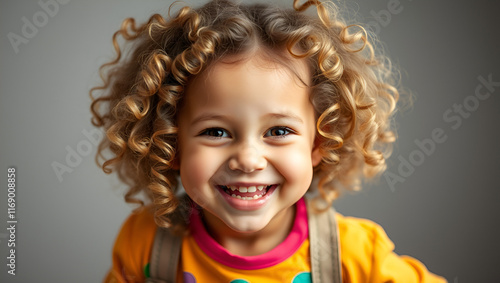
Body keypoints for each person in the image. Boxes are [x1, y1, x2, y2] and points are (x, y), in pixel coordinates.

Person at [90, 0, 446, 282]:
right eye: (216, 132)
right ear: (169, 144)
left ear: (320, 144)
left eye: (278, 131)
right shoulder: (146, 243)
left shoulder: (355, 255)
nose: (247, 159)